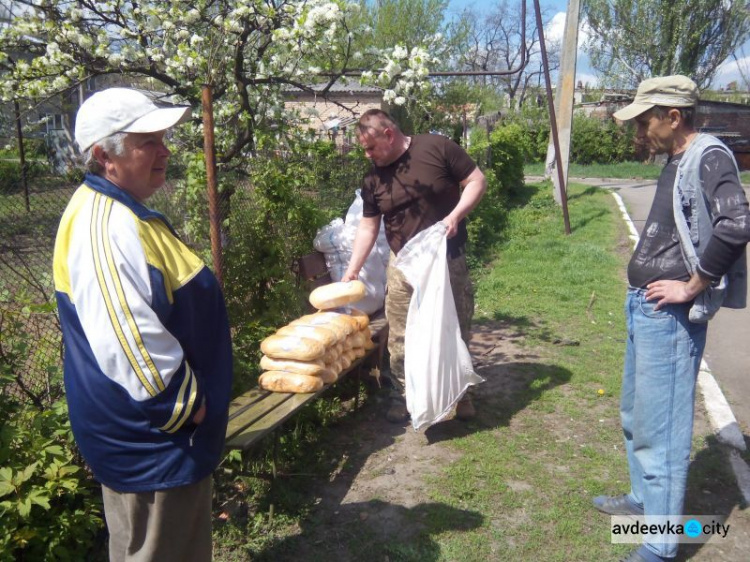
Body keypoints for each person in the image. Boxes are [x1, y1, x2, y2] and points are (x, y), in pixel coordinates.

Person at [53, 88, 233, 561]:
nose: (165, 150)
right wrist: (187, 407)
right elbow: (128, 339)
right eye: (147, 140)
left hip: (167, 440)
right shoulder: (105, 226)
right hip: (154, 443)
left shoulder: (123, 210)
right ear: (102, 155)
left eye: (163, 137)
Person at [593, 76, 750, 562]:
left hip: (671, 316)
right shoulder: (676, 159)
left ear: (673, 116)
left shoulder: (709, 155)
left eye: (646, 119)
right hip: (645, 306)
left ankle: (661, 545)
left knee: (662, 430)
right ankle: (644, 500)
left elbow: (737, 223)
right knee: (636, 415)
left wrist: (693, 284)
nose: (642, 129)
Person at [342, 109, 487, 423]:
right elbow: (368, 227)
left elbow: (476, 181)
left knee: (455, 326)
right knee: (400, 332)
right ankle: (404, 394)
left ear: (389, 135)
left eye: (371, 147)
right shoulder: (372, 179)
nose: (367, 155)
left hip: (446, 258)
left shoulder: (437, 148)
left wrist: (454, 217)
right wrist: (353, 269)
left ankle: (461, 395)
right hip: (403, 263)